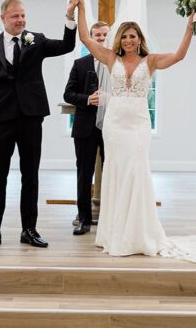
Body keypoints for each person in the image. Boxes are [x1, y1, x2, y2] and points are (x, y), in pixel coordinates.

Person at [74, 0, 194, 256]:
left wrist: (189, 28)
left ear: (140, 39)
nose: (129, 40)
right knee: (115, 171)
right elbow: (84, 37)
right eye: (125, 36)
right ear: (120, 39)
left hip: (138, 123)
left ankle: (139, 233)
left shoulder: (150, 61)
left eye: (133, 36)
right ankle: (116, 232)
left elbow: (178, 56)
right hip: (115, 122)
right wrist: (81, 8)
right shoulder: (110, 58)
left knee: (136, 170)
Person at [0, 0, 78, 250]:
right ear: (3, 19)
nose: (20, 20)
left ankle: (29, 229)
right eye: (15, 16)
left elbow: (66, 44)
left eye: (22, 15)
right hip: (0, 119)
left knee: (30, 176)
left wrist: (70, 16)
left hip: (31, 117)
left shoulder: (37, 40)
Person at [63, 21, 111, 235]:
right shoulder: (80, 64)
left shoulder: (117, 63)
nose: (101, 38)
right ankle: (84, 219)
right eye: (97, 35)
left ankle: (111, 218)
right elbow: (68, 94)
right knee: (84, 173)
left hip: (112, 126)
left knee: (113, 172)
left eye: (104, 35)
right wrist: (87, 99)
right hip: (85, 127)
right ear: (90, 38)